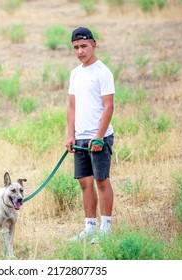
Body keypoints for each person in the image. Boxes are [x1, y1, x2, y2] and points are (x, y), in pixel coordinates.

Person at [66, 27, 115, 242]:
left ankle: (106, 227)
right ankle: (90, 227)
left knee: (101, 181)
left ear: (94, 44)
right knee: (85, 182)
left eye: (83, 46)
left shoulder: (102, 72)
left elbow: (109, 107)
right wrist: (70, 135)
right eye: (76, 47)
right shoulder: (75, 73)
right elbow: (71, 106)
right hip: (80, 138)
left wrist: (99, 136)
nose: (80, 51)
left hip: (98, 137)